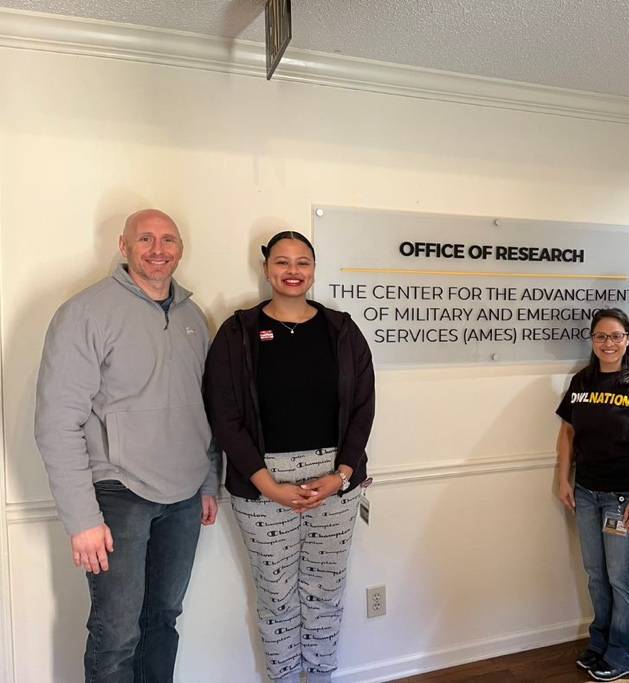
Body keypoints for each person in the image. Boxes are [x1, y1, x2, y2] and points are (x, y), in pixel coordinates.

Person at [34, 208, 220, 682]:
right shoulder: (85, 313)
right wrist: (82, 519)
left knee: (162, 621)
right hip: (117, 496)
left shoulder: (193, 317)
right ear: (124, 246)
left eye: (168, 240)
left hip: (183, 498)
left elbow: (204, 407)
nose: (158, 250)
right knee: (116, 635)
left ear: (180, 248)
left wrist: (208, 479)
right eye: (146, 239)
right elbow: (57, 422)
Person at [203, 230, 374, 683]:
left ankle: (319, 677)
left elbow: (363, 408)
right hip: (262, 482)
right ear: (266, 269)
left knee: (326, 590)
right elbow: (224, 415)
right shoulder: (238, 332)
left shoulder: (342, 331)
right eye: (282, 262)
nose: (292, 271)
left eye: (302, 262)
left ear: (314, 269)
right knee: (276, 594)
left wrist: (341, 474)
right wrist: (266, 483)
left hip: (334, 480)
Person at [556, 308, 629, 682]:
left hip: (624, 499)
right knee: (595, 575)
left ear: (627, 340)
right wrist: (563, 479)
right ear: (592, 340)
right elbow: (568, 434)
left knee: (622, 579)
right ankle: (600, 642)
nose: (608, 343)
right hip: (587, 494)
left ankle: (625, 653)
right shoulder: (581, 381)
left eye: (616, 336)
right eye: (601, 337)